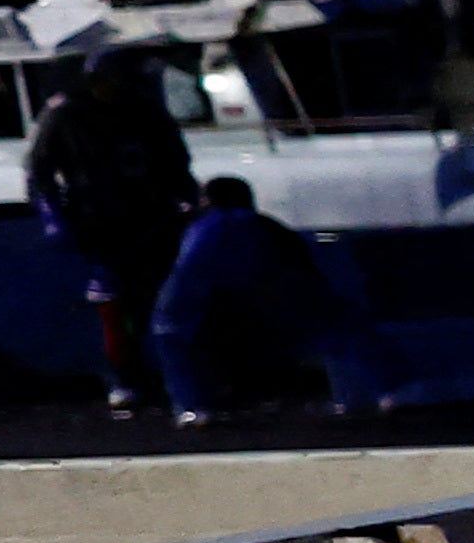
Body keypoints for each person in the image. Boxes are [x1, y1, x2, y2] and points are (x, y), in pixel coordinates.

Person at [19, 52, 195, 413]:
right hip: (99, 222)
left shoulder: (147, 111)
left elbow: (176, 162)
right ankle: (123, 378)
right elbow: (39, 174)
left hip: (153, 218)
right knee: (114, 306)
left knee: (161, 303)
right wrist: (54, 218)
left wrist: (188, 203)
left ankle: (170, 375)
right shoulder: (65, 114)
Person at [149, 174, 397, 423]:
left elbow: (186, 278)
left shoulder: (202, 228)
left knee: (169, 334)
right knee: (340, 328)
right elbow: (300, 260)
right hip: (265, 291)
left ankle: (193, 407)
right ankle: (393, 389)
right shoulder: (258, 224)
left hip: (213, 297)